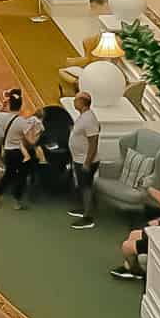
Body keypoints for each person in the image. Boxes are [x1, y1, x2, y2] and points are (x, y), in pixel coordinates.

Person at [111, 187, 160, 280]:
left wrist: (158, 223)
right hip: (157, 233)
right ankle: (129, 267)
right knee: (134, 234)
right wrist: (148, 188)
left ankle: (136, 271)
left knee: (126, 247)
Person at [0, 90, 38, 209]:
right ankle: (16, 202)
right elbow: (32, 141)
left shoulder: (1, 117)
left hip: (8, 151)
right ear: (21, 105)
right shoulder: (23, 122)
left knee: (8, 174)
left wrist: (3, 106)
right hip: (21, 153)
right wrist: (36, 131)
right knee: (21, 177)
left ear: (10, 104)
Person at [67, 91, 102, 228]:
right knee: (83, 185)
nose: (74, 102)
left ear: (82, 102)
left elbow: (93, 142)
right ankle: (84, 210)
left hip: (86, 161)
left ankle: (88, 218)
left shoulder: (89, 118)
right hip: (79, 159)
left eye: (76, 100)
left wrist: (87, 162)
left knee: (86, 187)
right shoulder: (84, 117)